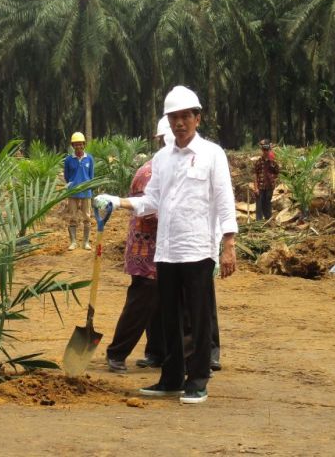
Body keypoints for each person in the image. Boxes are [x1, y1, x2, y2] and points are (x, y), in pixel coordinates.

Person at [97, 86, 237, 404]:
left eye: (185, 116)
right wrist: (117, 202)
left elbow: (224, 200)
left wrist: (228, 244)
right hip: (167, 251)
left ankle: (198, 379)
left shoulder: (212, 154)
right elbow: (152, 201)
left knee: (198, 317)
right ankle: (171, 378)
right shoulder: (161, 159)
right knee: (168, 317)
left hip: (198, 248)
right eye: (173, 118)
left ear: (197, 118)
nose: (179, 123)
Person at [105, 117, 172, 373]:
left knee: (160, 302)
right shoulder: (149, 172)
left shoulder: (170, 167)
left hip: (163, 247)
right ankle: (117, 353)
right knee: (141, 302)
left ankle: (157, 352)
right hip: (146, 250)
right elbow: (148, 210)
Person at [63, 131, 94, 250]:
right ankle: (73, 242)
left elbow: (91, 176)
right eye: (76, 144)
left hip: (86, 192)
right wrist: (72, 185)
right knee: (73, 217)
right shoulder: (68, 160)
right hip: (72, 192)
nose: (78, 146)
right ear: (72, 146)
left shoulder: (89, 159)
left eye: (80, 144)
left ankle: (86, 242)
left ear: (84, 144)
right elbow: (66, 176)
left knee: (87, 217)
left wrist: (87, 186)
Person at [253, 139, 279, 221]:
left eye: (267, 150)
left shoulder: (273, 162)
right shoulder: (258, 162)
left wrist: (273, 180)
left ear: (269, 150)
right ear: (262, 150)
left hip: (269, 187)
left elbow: (277, 172)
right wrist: (256, 188)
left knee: (267, 204)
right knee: (259, 205)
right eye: (264, 150)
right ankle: (259, 222)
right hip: (260, 187)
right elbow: (255, 175)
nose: (265, 151)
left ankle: (268, 220)